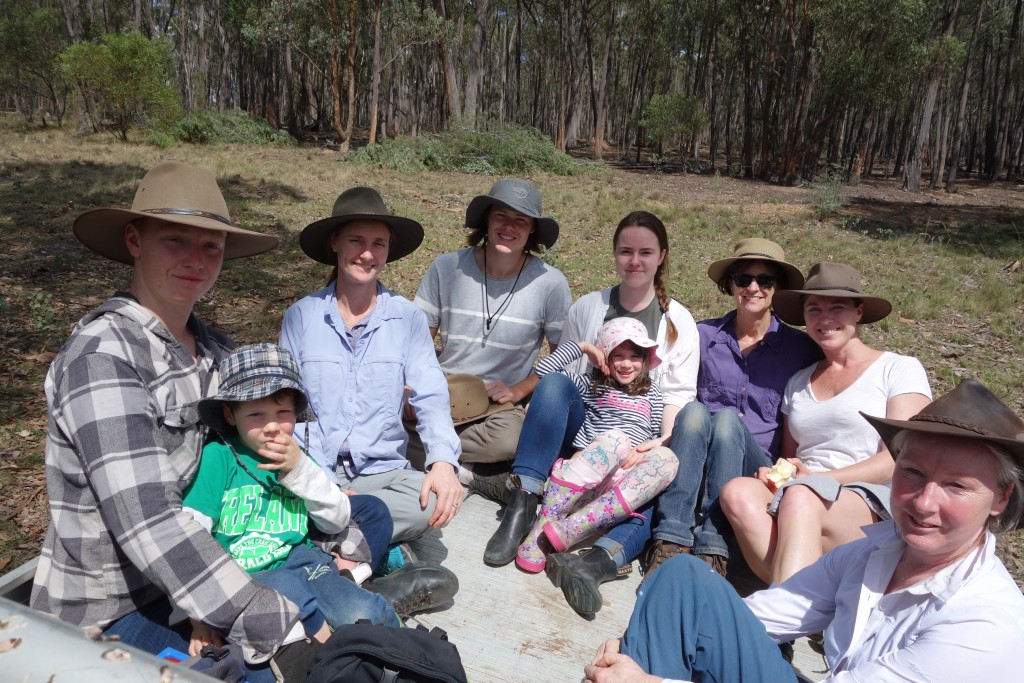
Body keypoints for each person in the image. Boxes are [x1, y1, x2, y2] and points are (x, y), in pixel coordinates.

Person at [30, 161, 305, 669]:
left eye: (210, 247)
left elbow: (260, 448)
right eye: (176, 240)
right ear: (135, 239)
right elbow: (148, 519)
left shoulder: (216, 353)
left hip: (208, 566)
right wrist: (260, 612)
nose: (195, 261)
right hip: (111, 610)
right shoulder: (102, 358)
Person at [584, 379, 1024, 683]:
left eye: (957, 486)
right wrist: (639, 644)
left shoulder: (984, 622)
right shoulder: (877, 553)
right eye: (912, 473)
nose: (925, 502)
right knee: (682, 580)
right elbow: (765, 615)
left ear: (1001, 499)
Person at [475, 211, 699, 602]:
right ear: (613, 255)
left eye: (645, 252)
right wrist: (575, 353)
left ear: (661, 255)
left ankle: (593, 557)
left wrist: (661, 441)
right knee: (559, 386)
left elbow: (677, 396)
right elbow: (558, 376)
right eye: (625, 251)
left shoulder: (677, 322)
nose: (635, 261)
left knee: (656, 485)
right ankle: (526, 498)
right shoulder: (588, 307)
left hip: (630, 461)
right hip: (587, 442)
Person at [184, 342, 429, 655]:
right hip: (242, 575)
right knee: (290, 611)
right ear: (230, 415)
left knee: (362, 613)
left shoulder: (298, 457)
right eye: (256, 414)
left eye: (282, 412)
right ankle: (328, 640)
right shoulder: (219, 458)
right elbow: (191, 534)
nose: (272, 426)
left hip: (301, 559)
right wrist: (197, 616)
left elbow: (336, 518)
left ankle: (406, 651)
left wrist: (300, 470)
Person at [720, 262, 932, 585]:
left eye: (837, 308)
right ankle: (814, 599)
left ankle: (780, 618)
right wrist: (779, 475)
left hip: (867, 501)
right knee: (737, 492)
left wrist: (819, 480)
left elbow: (905, 458)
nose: (825, 319)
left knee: (802, 497)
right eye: (814, 309)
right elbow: (793, 459)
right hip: (799, 496)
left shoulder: (897, 369)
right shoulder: (798, 382)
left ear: (858, 312)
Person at [280, 187, 464, 547]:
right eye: (356, 241)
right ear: (335, 243)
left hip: (382, 472)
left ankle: (328, 538)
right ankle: (363, 542)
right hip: (316, 469)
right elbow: (285, 402)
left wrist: (442, 461)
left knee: (433, 503)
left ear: (389, 251)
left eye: (378, 244)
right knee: (277, 491)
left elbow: (431, 392)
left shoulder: (407, 318)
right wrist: (312, 476)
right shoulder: (302, 316)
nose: (367, 254)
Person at [637, 239, 821, 582]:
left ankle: (713, 546)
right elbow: (664, 382)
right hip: (699, 457)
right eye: (743, 279)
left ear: (777, 288)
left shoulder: (802, 349)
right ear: (730, 285)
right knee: (693, 411)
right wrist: (662, 438)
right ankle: (670, 541)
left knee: (724, 419)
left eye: (765, 280)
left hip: (757, 470)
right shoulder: (703, 335)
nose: (753, 288)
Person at [411, 178, 572, 473]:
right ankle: (462, 464)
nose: (509, 227)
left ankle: (434, 453)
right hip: (443, 391)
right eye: (501, 216)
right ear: (486, 220)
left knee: (510, 441)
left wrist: (520, 390)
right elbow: (416, 340)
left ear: (532, 229)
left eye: (520, 221)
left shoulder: (550, 283)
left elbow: (564, 356)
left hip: (496, 408)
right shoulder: (447, 268)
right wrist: (413, 389)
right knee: (386, 411)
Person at [514, 318, 679, 573]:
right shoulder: (592, 386)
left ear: (645, 359)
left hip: (620, 490)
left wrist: (651, 447)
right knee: (617, 439)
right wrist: (582, 347)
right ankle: (544, 525)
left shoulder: (654, 394)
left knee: (668, 459)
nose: (626, 364)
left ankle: (572, 529)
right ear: (604, 357)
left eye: (634, 356)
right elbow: (548, 375)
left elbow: (658, 433)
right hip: (587, 476)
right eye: (618, 356)